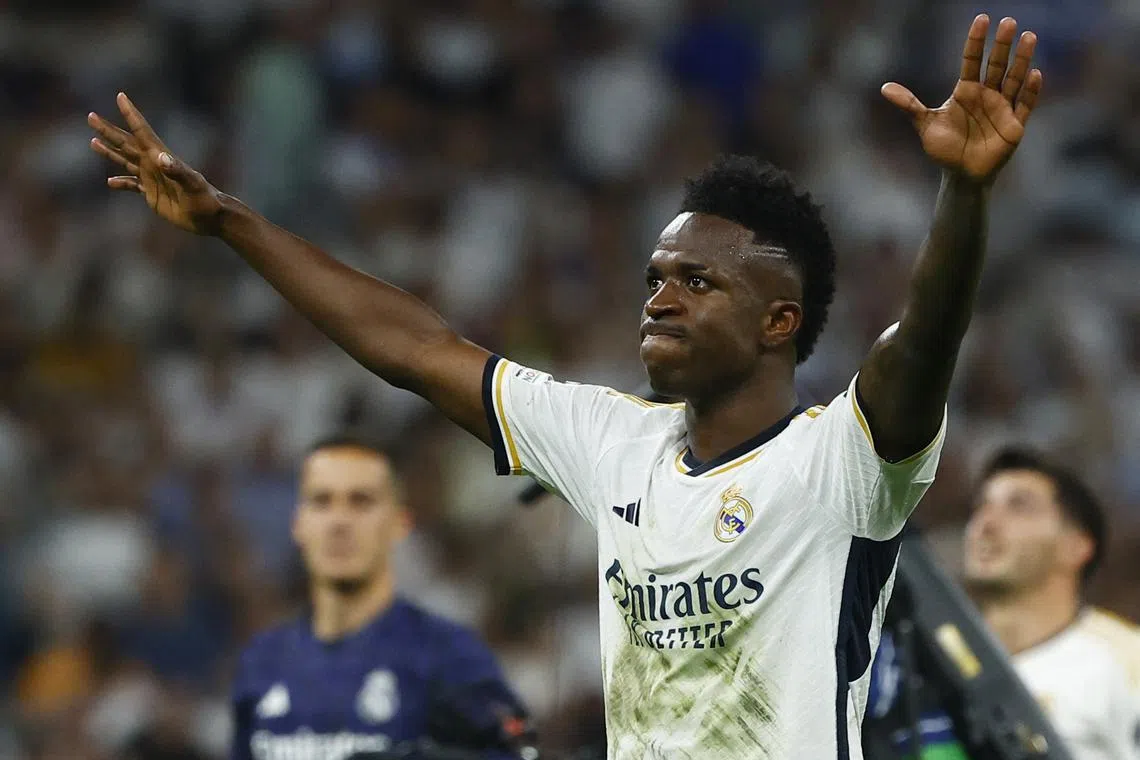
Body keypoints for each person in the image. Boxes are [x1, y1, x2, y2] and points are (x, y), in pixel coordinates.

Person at [88, 13, 1043, 758]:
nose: (660, 300)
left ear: (778, 323)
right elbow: (418, 351)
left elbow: (921, 346)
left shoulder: (840, 465)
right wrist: (231, 224)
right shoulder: (614, 440)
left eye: (697, 283)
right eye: (655, 279)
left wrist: (962, 192)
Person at [228, 434, 532, 760]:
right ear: (298, 524)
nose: (339, 522)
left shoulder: (449, 655)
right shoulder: (262, 661)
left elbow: (521, 750)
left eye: (361, 501)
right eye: (321, 501)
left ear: (400, 523)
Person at [962, 447, 1140, 760]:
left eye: (1019, 507)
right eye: (980, 506)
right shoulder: (934, 658)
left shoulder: (1126, 662)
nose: (985, 523)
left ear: (1076, 546)